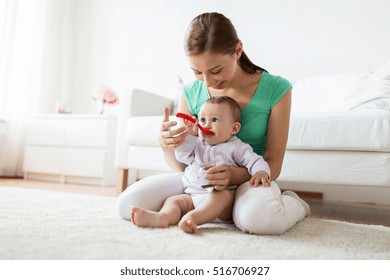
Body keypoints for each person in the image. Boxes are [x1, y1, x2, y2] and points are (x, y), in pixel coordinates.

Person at [117, 12, 310, 235]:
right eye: (197, 72)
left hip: (250, 180)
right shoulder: (190, 92)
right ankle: (202, 212)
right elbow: (182, 165)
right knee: (125, 205)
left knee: (261, 221)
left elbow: (273, 164)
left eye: (216, 70)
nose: (208, 82)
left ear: (237, 50)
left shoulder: (276, 89)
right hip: (198, 178)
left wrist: (233, 175)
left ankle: (294, 204)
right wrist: (167, 144)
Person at [130, 96, 271, 233]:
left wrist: (261, 172)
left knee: (223, 196)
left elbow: (255, 161)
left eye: (214, 120)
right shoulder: (198, 143)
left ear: (234, 129)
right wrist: (191, 136)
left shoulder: (237, 147)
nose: (206, 125)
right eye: (202, 120)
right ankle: (163, 217)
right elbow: (182, 156)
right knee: (174, 201)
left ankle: (193, 218)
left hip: (222, 202)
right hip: (192, 196)